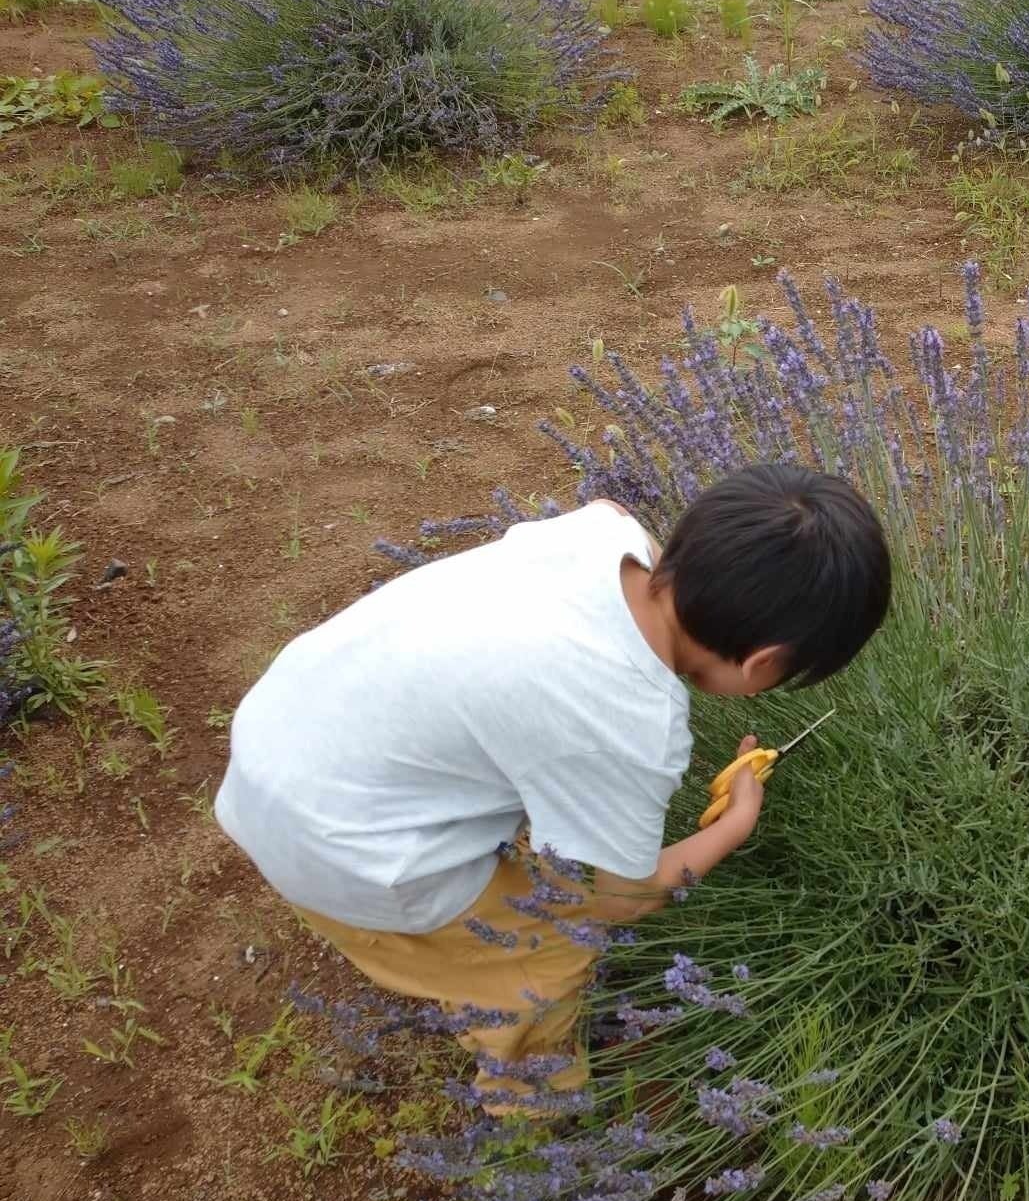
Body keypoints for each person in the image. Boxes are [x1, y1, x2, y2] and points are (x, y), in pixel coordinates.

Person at [216, 464, 891, 1112]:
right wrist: (734, 825)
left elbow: (609, 507)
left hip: (280, 734)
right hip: (337, 843)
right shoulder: (630, 721)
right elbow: (623, 898)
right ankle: (529, 1110)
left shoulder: (602, 535)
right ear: (763, 664)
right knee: (551, 950)